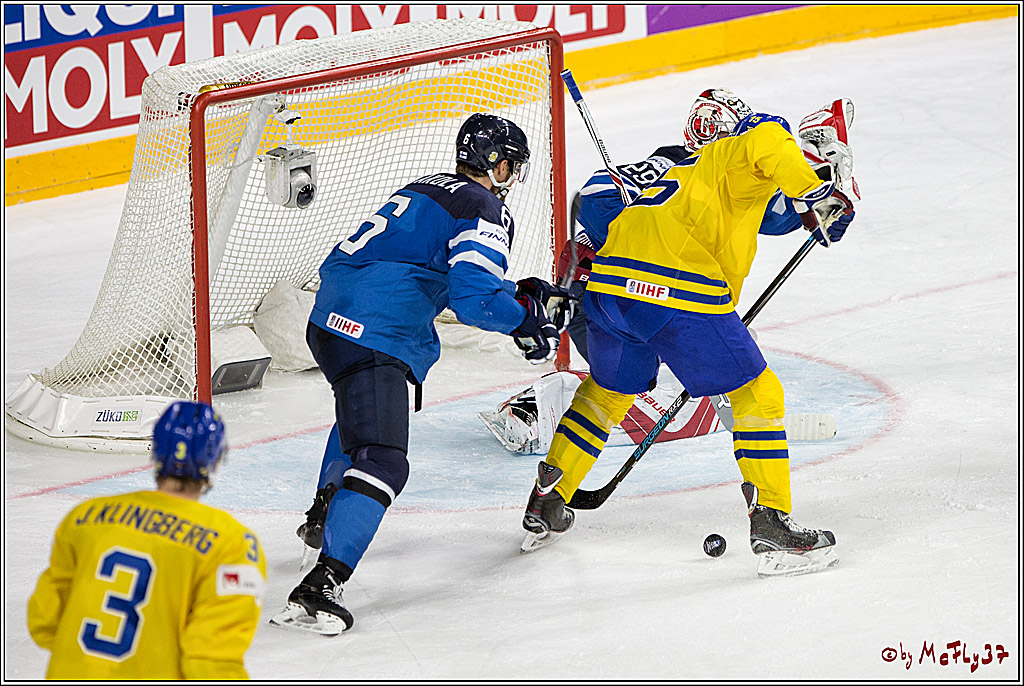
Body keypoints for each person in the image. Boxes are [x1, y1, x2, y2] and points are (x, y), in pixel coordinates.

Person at [518, 103, 856, 579]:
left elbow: (771, 210)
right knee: (757, 392)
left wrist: (812, 213)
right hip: (674, 286)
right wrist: (818, 192)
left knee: (608, 390)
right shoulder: (747, 145)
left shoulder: (681, 169)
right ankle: (772, 523)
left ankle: (549, 497)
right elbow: (770, 145)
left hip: (609, 286)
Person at [270, 113, 572, 635]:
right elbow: (474, 298)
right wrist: (524, 318)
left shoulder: (425, 187)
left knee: (362, 416)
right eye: (507, 165)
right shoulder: (483, 207)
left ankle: (326, 512)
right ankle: (321, 586)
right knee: (384, 460)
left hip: (327, 322)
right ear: (492, 163)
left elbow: (434, 268)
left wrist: (516, 298)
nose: (509, 177)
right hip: (375, 331)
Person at [480, 89, 841, 455]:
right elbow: (595, 199)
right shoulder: (678, 166)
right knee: (646, 388)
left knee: (672, 369)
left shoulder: (710, 181)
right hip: (606, 283)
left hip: (627, 291)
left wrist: (821, 187)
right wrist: (634, 250)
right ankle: (535, 410)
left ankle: (546, 412)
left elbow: (775, 217)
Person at [27, 401, 266, 679]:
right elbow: (209, 664)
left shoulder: (86, 517)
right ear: (215, 459)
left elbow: (43, 622)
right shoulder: (233, 544)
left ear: (156, 451)